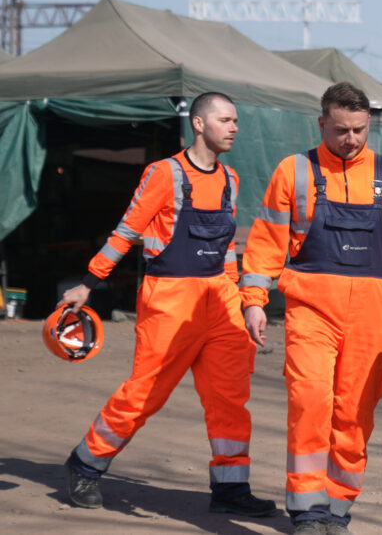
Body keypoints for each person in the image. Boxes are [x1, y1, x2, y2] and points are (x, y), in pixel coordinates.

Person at [240, 82, 382, 535]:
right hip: (310, 307)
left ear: (368, 123)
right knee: (310, 400)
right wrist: (254, 300)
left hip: (373, 311)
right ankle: (308, 511)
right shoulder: (294, 171)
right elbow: (266, 242)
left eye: (358, 129)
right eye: (340, 130)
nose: (351, 139)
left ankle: (337, 508)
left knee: (355, 412)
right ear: (321, 124)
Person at [60, 92, 278, 518]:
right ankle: (85, 464)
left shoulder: (231, 179)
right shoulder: (163, 173)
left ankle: (231, 488)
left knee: (230, 398)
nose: (234, 128)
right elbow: (126, 232)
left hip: (221, 301)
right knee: (144, 393)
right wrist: (89, 283)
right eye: (225, 120)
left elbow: (226, 247)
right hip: (170, 302)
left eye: (235, 121)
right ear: (198, 124)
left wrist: (239, 299)